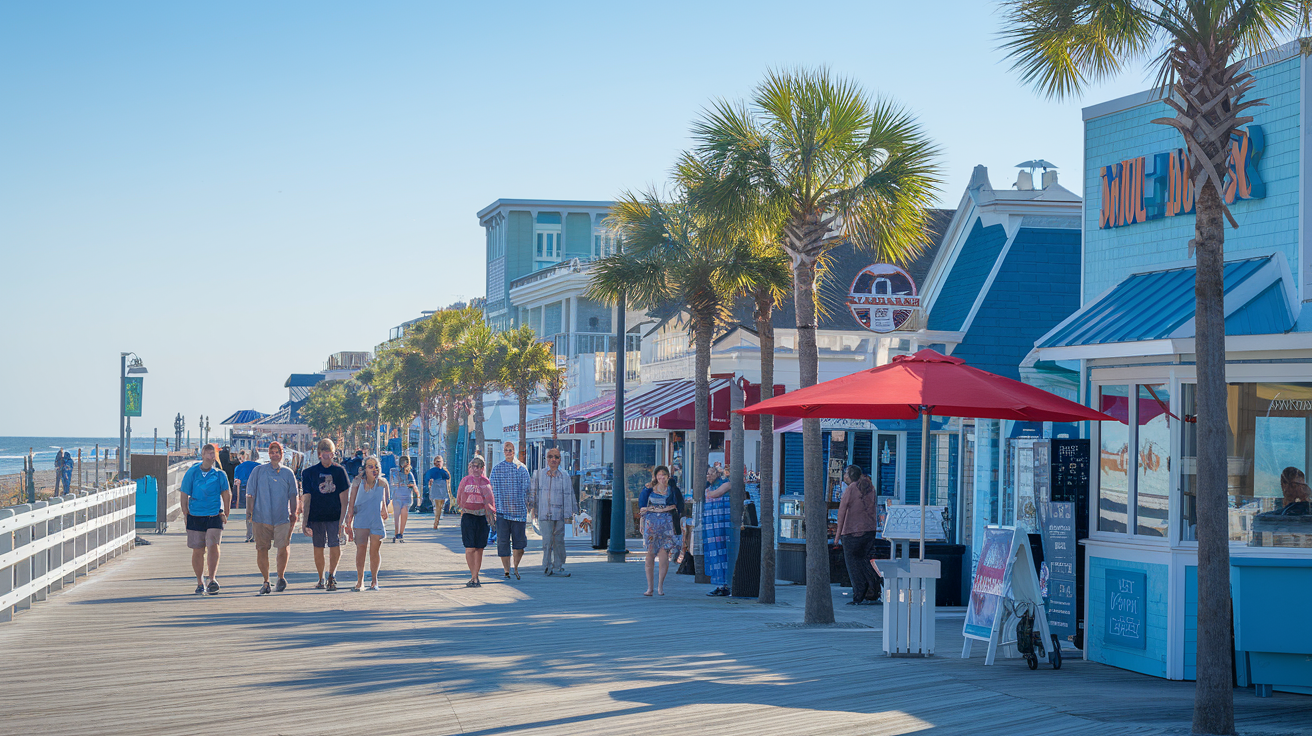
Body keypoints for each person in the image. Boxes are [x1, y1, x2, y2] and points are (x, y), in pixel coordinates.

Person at [246, 441, 300, 594]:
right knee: (262, 549)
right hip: (261, 516)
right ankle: (266, 581)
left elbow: (293, 495)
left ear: (282, 454)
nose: (275, 455)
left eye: (277, 452)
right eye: (272, 452)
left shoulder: (288, 473)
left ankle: (281, 577)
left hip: (282, 517)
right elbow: (250, 494)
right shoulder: (258, 471)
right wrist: (249, 513)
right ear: (268, 454)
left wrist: (294, 513)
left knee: (283, 547)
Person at [180, 443, 232, 595]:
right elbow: (184, 493)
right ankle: (199, 581)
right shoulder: (192, 472)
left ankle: (212, 579)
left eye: (213, 453)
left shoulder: (219, 474)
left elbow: (226, 493)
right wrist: (185, 513)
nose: (211, 456)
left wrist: (226, 512)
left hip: (214, 514)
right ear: (202, 455)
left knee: (213, 545)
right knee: (198, 550)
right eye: (208, 453)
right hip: (195, 514)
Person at [300, 438, 351, 591]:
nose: (328, 458)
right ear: (319, 454)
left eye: (331, 454)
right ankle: (320, 577)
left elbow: (345, 500)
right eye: (325, 455)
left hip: (335, 515)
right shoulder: (309, 473)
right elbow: (306, 498)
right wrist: (304, 521)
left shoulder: (339, 471)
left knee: (335, 544)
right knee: (318, 547)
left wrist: (343, 521)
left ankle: (332, 575)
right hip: (316, 516)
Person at [832, 465, 883, 605]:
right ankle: (873, 590)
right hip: (869, 530)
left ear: (850, 476)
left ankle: (858, 594)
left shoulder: (851, 489)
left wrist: (837, 535)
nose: (844, 476)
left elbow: (842, 512)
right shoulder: (870, 488)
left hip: (851, 531)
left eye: (845, 474)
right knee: (865, 561)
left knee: (853, 565)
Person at [529, 447, 578, 577]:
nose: (553, 459)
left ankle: (558, 566)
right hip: (544, 513)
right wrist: (532, 509)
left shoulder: (564, 476)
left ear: (560, 459)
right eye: (550, 457)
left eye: (556, 457)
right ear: (546, 459)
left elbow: (569, 495)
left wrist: (569, 514)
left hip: (559, 514)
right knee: (547, 541)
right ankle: (547, 566)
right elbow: (533, 493)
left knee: (559, 541)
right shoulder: (539, 475)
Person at [346, 456, 391, 591]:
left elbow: (385, 500)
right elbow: (351, 502)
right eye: (370, 466)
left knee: (375, 550)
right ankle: (360, 581)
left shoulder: (382, 483)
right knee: (361, 549)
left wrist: (384, 509)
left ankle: (374, 580)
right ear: (364, 469)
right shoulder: (357, 482)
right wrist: (348, 520)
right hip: (361, 518)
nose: (374, 469)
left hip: (376, 519)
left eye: (376, 466)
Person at [639, 466, 684, 597]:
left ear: (668, 476)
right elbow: (642, 508)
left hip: (667, 525)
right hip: (651, 525)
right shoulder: (648, 489)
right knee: (650, 555)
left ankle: (660, 586)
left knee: (664, 555)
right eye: (659, 475)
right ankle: (649, 587)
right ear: (655, 476)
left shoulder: (672, 490)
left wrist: (655, 509)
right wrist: (644, 520)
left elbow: (678, 507)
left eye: (664, 475)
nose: (661, 477)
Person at [489, 441, 531, 580]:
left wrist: (530, 507)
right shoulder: (497, 469)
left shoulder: (522, 469)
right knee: (503, 543)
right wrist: (492, 509)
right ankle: (506, 570)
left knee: (520, 544)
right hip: (502, 512)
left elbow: (528, 490)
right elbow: (492, 490)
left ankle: (516, 567)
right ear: (503, 451)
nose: (508, 452)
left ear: (514, 451)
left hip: (519, 513)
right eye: (506, 450)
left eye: (511, 450)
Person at [457, 456, 496, 587]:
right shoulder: (465, 480)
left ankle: (475, 576)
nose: (476, 469)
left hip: (482, 517)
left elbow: (490, 500)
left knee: (479, 548)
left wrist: (491, 515)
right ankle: (473, 575)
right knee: (470, 548)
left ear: (482, 468)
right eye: (474, 466)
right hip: (468, 515)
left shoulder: (486, 482)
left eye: (479, 467)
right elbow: (459, 498)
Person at [702, 466, 731, 597]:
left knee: (724, 554)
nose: (708, 476)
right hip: (712, 526)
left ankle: (725, 585)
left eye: (710, 473)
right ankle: (720, 585)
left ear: (717, 474)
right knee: (716, 556)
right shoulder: (709, 487)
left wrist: (709, 493)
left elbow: (714, 494)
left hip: (723, 526)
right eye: (707, 474)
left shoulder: (726, 484)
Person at [234, 449, 261, 543]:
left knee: (248, 512)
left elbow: (236, 481)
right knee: (257, 512)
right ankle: (256, 534)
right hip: (257, 490)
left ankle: (249, 534)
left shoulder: (239, 467)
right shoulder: (260, 466)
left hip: (244, 490)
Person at [388, 456, 417, 542]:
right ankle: (396, 532)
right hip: (397, 495)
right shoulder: (395, 472)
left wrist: (414, 491)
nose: (404, 464)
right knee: (396, 515)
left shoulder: (410, 474)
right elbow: (392, 482)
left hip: (406, 496)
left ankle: (401, 533)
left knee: (404, 514)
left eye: (406, 462)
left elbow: (413, 484)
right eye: (403, 461)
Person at [425, 456, 452, 528]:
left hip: (443, 488)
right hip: (436, 488)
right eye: (437, 461)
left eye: (440, 461)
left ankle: (437, 519)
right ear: (434, 463)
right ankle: (436, 521)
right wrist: (430, 481)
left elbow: (448, 477)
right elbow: (427, 478)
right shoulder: (432, 471)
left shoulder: (444, 471)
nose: (438, 463)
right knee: (437, 505)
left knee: (441, 506)